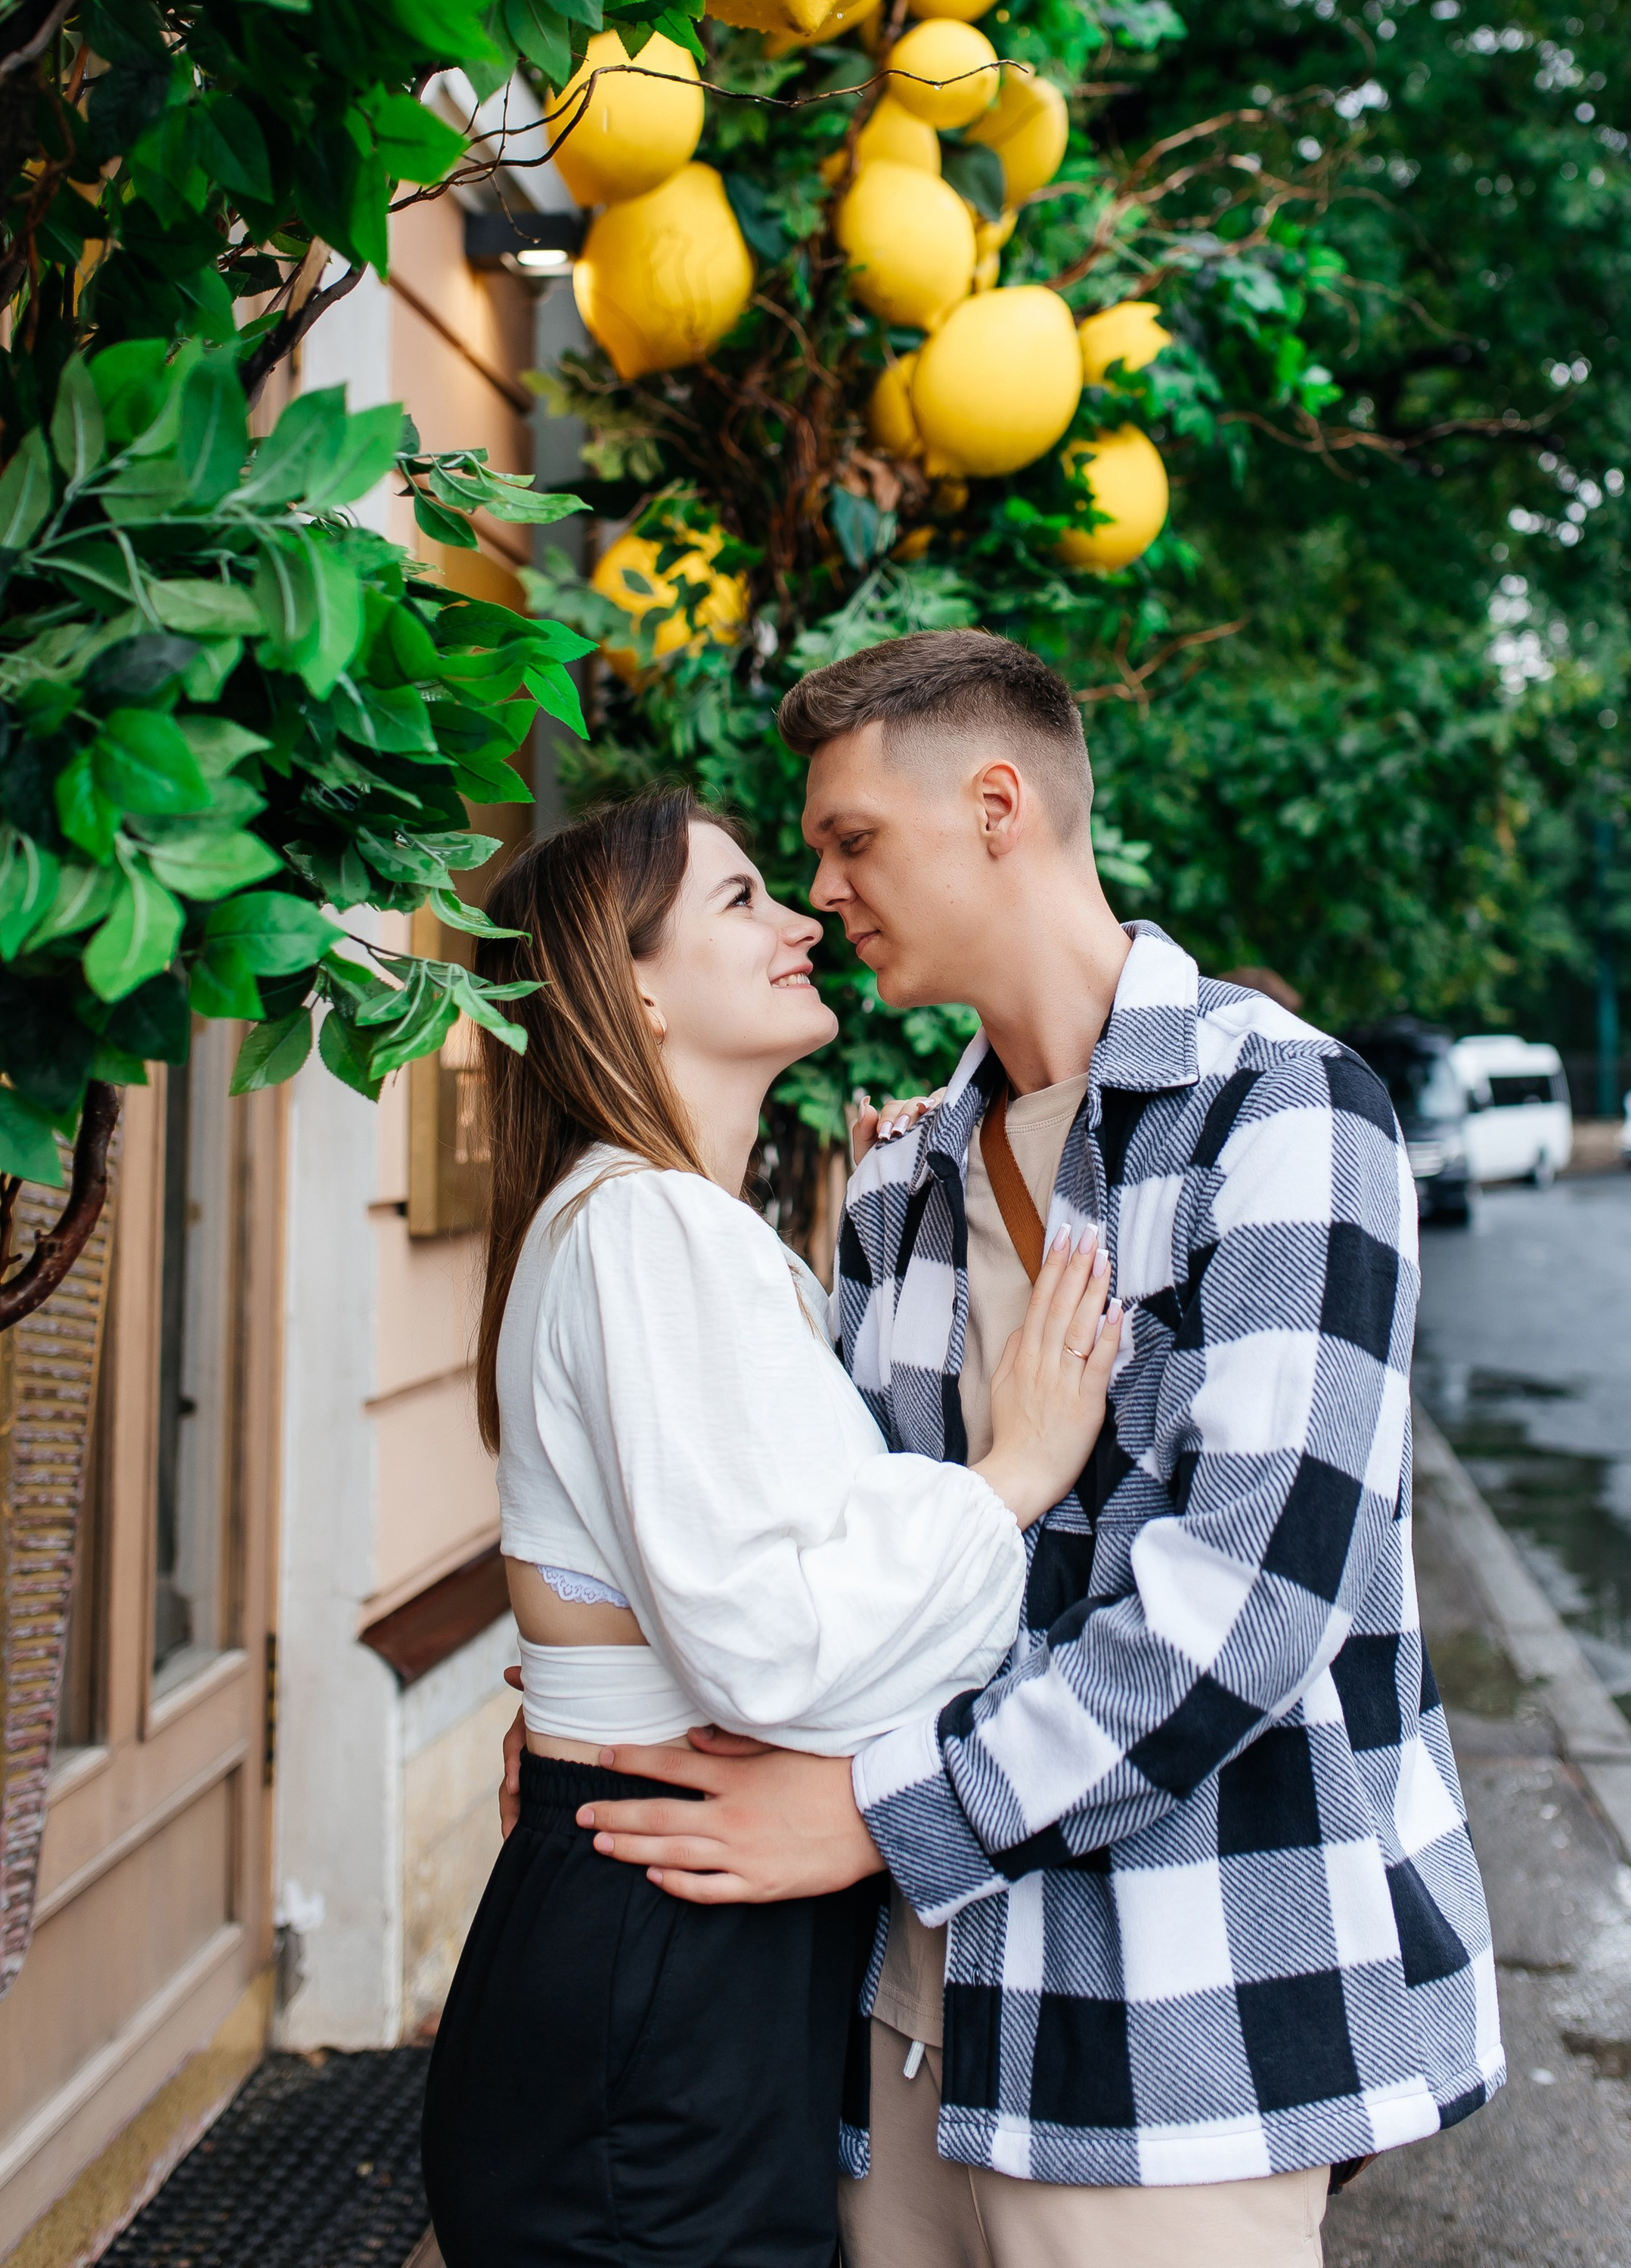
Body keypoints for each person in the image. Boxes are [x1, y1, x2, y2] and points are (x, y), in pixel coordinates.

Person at [574, 631, 1502, 2268]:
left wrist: (868, 1814)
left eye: (852, 840)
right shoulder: (893, 1182)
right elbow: (859, 1569)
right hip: (909, 2032)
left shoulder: (1283, 1115)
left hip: (1180, 2023)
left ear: (996, 805)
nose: (820, 893)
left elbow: (1237, 1619)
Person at [420, 788, 1121, 2268]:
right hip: (666, 1940)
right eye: (742, 900)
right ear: (635, 986)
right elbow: (768, 1654)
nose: (804, 916)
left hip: (671, 1922)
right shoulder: (645, 1230)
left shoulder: (661, 1227)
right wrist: (1015, 1474)